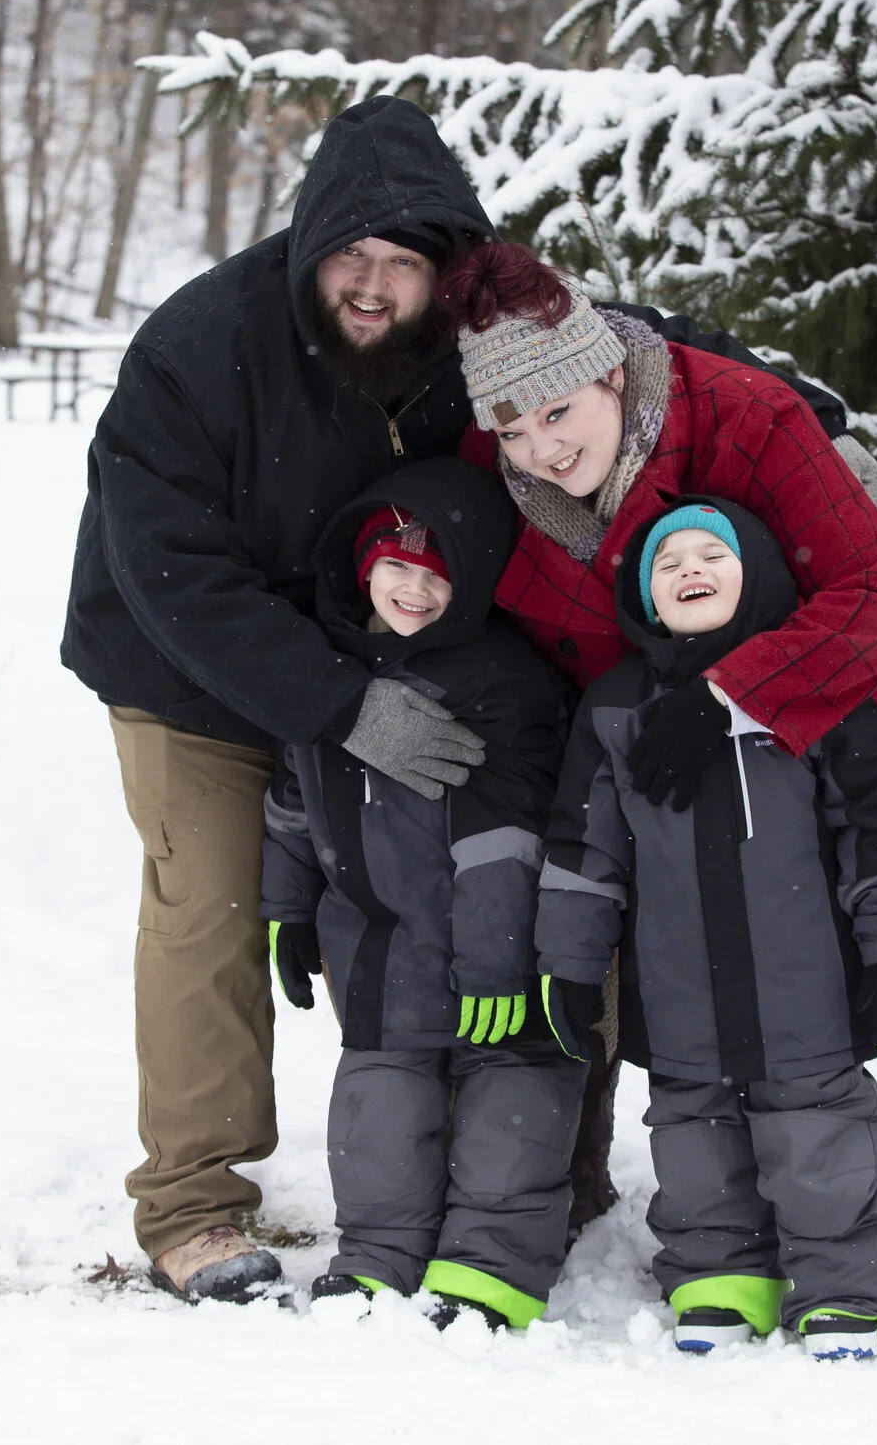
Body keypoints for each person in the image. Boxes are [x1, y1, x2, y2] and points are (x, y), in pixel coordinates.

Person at [59, 96, 854, 1301]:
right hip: (193, 669)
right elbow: (169, 568)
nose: (373, 287)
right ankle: (191, 1202)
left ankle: (538, 1170)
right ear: (306, 243)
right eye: (349, 256)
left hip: (428, 649)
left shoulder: (471, 328)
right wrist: (334, 701)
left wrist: (804, 415)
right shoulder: (199, 346)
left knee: (536, 882)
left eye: (404, 264)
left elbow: (633, 343)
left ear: (450, 270)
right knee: (214, 909)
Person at [440, 240, 877, 1230]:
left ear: (609, 370)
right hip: (623, 752)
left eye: (559, 413)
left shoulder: (746, 417)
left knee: (789, 979)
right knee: (618, 959)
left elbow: (871, 600)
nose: (542, 449)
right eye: (513, 428)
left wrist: (727, 699)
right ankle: (622, 1193)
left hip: (801, 727)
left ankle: (825, 1211)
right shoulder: (502, 483)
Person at [534, 498, 877, 1360]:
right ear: (645, 597)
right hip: (677, 989)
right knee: (693, 1138)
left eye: (711, 553)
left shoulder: (814, 683)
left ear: (756, 571)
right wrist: (567, 964)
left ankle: (844, 1288)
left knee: (820, 1140)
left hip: (806, 985)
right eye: (667, 561)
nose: (689, 568)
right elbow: (584, 852)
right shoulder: (615, 709)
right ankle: (720, 1272)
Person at [260, 457, 580, 1329]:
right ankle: (377, 1253)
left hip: (498, 943)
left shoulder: (500, 682)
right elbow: (293, 804)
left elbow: (503, 841)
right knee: (378, 1109)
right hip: (378, 944)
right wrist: (287, 912)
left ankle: (490, 1266)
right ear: (362, 563)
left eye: (438, 574)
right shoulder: (321, 669)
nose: (414, 588)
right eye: (397, 565)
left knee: (511, 1101)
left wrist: (498, 965)